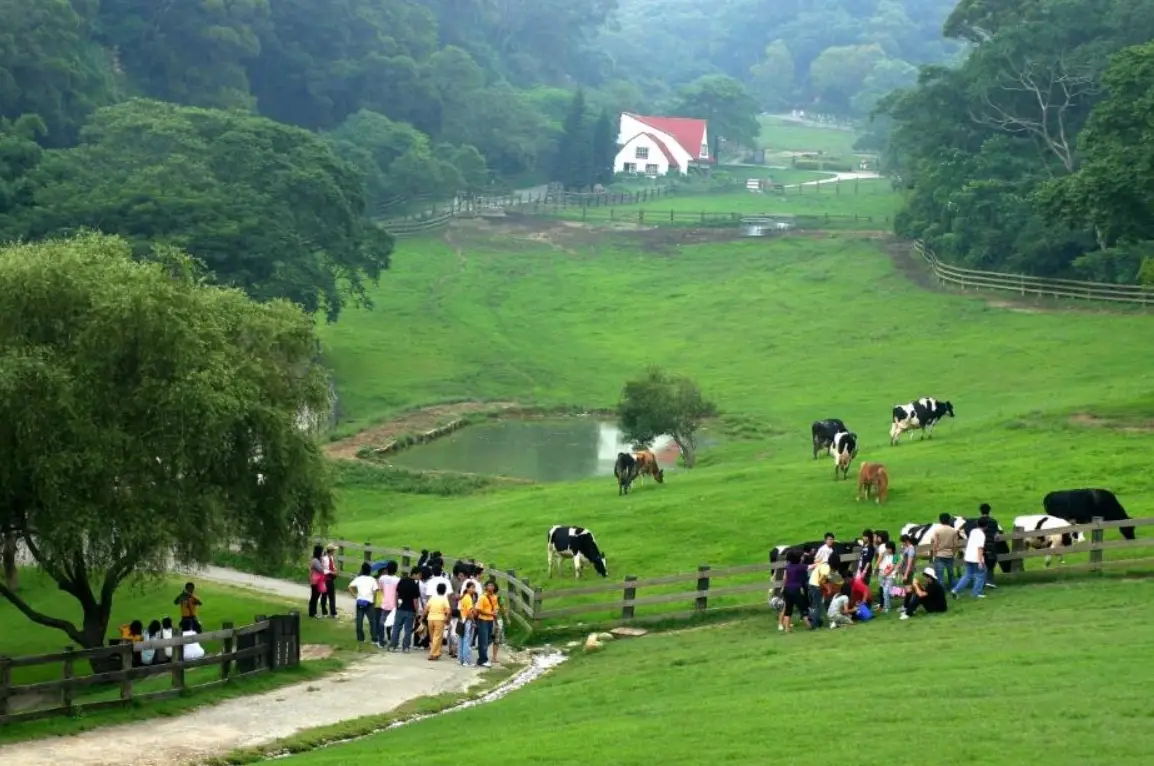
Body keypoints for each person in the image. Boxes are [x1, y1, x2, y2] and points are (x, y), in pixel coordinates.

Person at [953, 516, 988, 598]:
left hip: (968, 556)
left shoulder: (973, 531)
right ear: (986, 526)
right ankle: (976, 593)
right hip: (975, 558)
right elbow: (980, 548)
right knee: (980, 574)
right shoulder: (982, 535)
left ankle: (955, 590)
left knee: (967, 575)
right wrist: (980, 561)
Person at [390, 567, 422, 652]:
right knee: (408, 629)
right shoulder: (414, 586)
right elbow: (415, 601)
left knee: (396, 627)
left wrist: (396, 605)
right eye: (419, 575)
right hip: (410, 610)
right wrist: (416, 611)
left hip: (400, 608)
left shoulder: (402, 581)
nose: (419, 577)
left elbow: (396, 594)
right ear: (414, 574)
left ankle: (393, 645)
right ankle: (406, 647)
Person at [348, 562, 379, 647]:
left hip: (360, 601)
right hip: (369, 602)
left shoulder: (359, 579)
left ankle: (360, 638)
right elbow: (376, 591)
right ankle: (374, 638)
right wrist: (374, 600)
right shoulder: (372, 580)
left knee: (359, 621)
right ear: (370, 571)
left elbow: (350, 587)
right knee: (372, 622)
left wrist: (355, 596)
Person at [779, 550, 810, 633]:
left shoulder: (788, 566)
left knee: (788, 610)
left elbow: (785, 578)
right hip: (795, 590)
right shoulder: (800, 566)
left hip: (787, 589)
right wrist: (821, 563)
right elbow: (810, 566)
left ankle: (787, 629)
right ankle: (810, 625)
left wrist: (782, 587)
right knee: (802, 608)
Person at [929, 513, 960, 589]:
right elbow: (955, 545)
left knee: (940, 576)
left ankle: (941, 592)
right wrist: (953, 553)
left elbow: (935, 543)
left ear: (940, 520)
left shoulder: (937, 531)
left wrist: (934, 554)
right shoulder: (953, 531)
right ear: (949, 520)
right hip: (949, 555)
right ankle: (954, 589)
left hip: (939, 555)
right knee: (951, 574)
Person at [475, 580, 501, 667]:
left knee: (489, 639)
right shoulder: (482, 597)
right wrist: (490, 613)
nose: (490, 587)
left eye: (492, 585)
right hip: (483, 620)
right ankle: (483, 660)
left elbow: (496, 607)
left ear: (494, 587)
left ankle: (481, 658)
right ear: (486, 587)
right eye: (488, 585)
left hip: (491, 620)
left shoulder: (495, 597)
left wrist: (495, 612)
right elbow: (479, 609)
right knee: (483, 640)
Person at [424, 582, 451, 661]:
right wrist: (447, 618)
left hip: (430, 618)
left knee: (433, 637)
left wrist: (423, 617)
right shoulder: (444, 599)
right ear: (445, 590)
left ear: (437, 590)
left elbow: (426, 609)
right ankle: (432, 654)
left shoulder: (432, 598)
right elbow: (449, 611)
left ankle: (437, 653)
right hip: (439, 619)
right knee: (437, 637)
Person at [376, 561, 400, 648]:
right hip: (394, 604)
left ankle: (381, 640)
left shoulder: (382, 578)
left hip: (385, 603)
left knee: (382, 623)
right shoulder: (398, 580)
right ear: (396, 570)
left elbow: (380, 589)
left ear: (387, 569)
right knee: (394, 624)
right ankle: (393, 641)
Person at [806, 547, 831, 630]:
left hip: (811, 584)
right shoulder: (826, 567)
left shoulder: (821, 565)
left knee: (816, 605)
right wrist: (825, 587)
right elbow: (821, 579)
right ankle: (814, 625)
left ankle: (814, 619)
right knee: (818, 607)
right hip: (815, 586)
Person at [979, 503, 1001, 590]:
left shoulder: (978, 522)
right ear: (989, 511)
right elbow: (996, 536)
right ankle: (990, 581)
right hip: (991, 546)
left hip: (980, 546)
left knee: (982, 565)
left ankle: (983, 582)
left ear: (980, 511)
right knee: (991, 564)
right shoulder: (994, 521)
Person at [457, 581, 477, 666]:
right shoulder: (468, 598)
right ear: (467, 588)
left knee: (461, 641)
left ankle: (461, 659)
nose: (473, 589)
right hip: (467, 621)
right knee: (467, 641)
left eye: (474, 587)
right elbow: (469, 613)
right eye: (472, 587)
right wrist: (473, 621)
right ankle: (466, 661)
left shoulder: (463, 597)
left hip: (462, 620)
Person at [877, 540, 899, 612]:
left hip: (890, 576)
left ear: (892, 548)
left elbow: (892, 567)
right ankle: (886, 606)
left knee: (886, 591)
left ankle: (887, 607)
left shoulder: (895, 556)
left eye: (888, 548)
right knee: (884, 591)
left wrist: (885, 574)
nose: (887, 550)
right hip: (884, 575)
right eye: (887, 548)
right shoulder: (886, 555)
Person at [308, 545, 327, 618]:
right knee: (314, 597)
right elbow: (321, 570)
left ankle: (313, 612)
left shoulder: (318, 559)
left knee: (315, 596)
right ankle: (312, 612)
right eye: (322, 551)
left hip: (318, 581)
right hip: (315, 581)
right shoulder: (315, 561)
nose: (323, 553)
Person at [322, 543, 339, 618]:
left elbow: (332, 566)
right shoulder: (324, 559)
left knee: (332, 596)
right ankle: (324, 612)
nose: (334, 552)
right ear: (331, 551)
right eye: (334, 550)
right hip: (325, 579)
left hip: (331, 579)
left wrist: (335, 570)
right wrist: (331, 572)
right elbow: (323, 569)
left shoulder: (331, 558)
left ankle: (333, 612)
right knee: (324, 596)